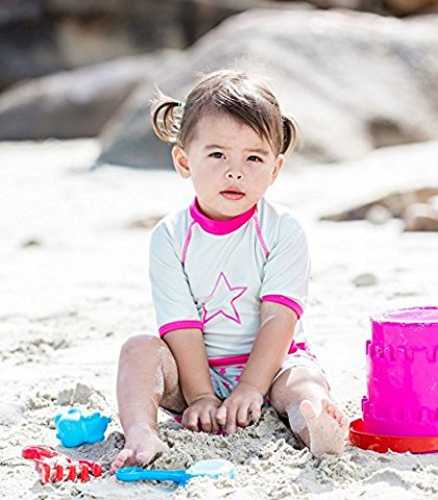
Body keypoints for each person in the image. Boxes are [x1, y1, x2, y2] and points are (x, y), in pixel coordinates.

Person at [110, 69, 348, 473]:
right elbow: (180, 325)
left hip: (273, 364)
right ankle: (141, 433)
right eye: (217, 155)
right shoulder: (170, 236)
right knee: (138, 350)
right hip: (193, 370)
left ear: (275, 169)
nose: (235, 171)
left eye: (254, 158)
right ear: (184, 161)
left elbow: (279, 318)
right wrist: (200, 395)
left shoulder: (282, 230)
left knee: (302, 382)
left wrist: (253, 386)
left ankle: (316, 424)